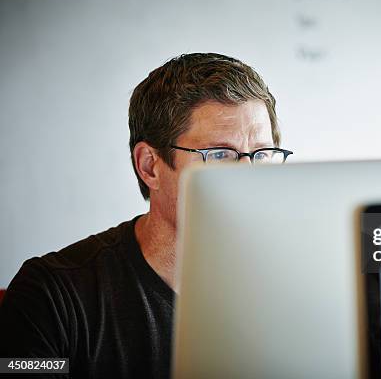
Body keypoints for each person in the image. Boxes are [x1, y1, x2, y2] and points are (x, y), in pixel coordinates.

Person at [0, 53, 292, 378]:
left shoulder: (304, 282)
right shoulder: (52, 296)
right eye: (220, 154)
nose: (248, 176)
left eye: (262, 154)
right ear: (150, 166)